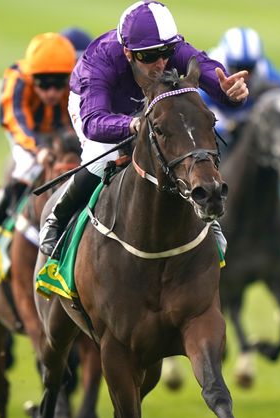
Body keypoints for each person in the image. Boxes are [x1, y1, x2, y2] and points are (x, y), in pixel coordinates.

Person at [38, 0, 250, 256]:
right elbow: (94, 122)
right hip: (98, 109)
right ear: (128, 52)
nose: (161, 63)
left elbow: (207, 69)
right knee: (101, 158)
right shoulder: (100, 61)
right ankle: (57, 218)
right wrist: (132, 124)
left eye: (167, 52)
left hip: (147, 104)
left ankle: (207, 215)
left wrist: (228, 92)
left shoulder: (167, 50)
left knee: (177, 146)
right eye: (149, 57)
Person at [0, 32, 77, 262]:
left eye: (59, 84)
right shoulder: (16, 79)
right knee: (28, 167)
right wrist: (39, 149)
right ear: (31, 77)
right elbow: (15, 120)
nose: (52, 93)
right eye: (43, 85)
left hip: (60, 133)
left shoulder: (77, 78)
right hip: (26, 133)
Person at [202, 27, 280, 153]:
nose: (244, 75)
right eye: (237, 67)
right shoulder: (211, 68)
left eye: (249, 69)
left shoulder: (264, 70)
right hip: (218, 117)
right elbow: (201, 105)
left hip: (249, 118)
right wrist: (225, 126)